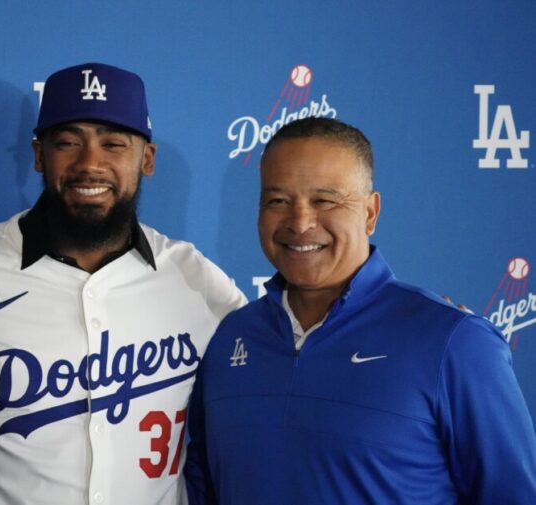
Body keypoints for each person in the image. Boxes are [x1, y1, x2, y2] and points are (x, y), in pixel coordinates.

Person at [0, 62, 247, 505]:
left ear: (147, 158)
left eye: (113, 143)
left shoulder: (197, 282)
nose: (89, 163)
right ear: (39, 155)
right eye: (67, 142)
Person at [184, 117, 536, 504]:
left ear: (370, 212)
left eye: (325, 200)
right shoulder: (232, 337)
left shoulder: (455, 342)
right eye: (277, 201)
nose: (300, 222)